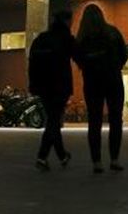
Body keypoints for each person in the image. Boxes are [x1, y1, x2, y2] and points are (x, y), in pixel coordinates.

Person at [73, 4, 128, 173]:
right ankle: (115, 159)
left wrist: (89, 67)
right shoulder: (112, 32)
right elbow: (124, 54)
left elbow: (78, 58)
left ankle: (96, 161)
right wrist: (114, 67)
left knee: (94, 121)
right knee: (115, 120)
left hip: (92, 82)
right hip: (113, 80)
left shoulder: (82, 37)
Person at [28, 9, 75, 171]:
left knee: (53, 120)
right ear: (67, 21)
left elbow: (32, 63)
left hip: (42, 87)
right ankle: (43, 157)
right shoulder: (66, 38)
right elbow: (79, 55)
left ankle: (59, 156)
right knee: (54, 121)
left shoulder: (41, 39)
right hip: (59, 86)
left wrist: (33, 85)